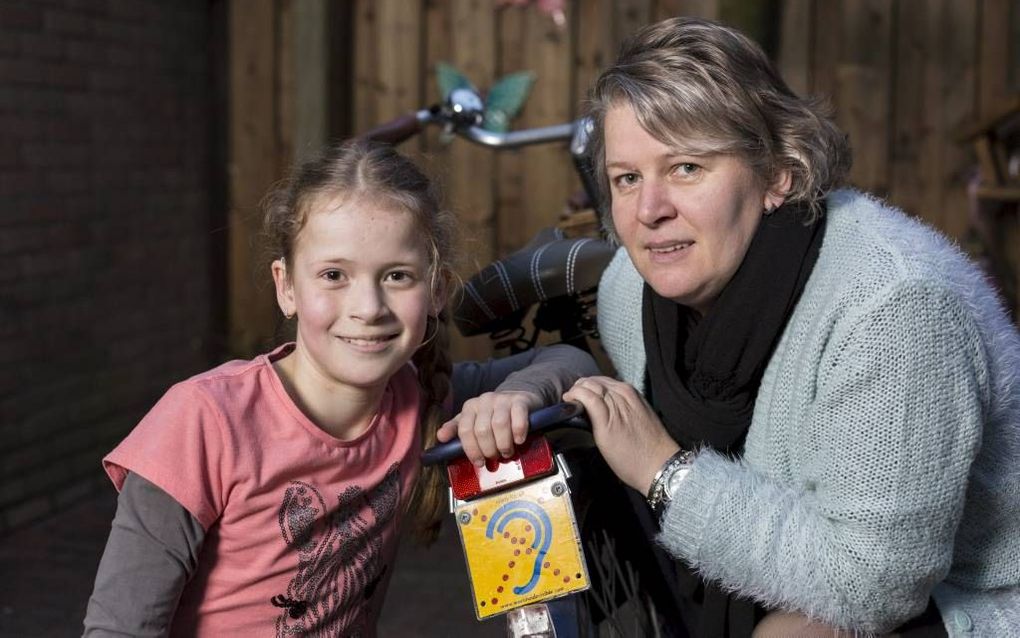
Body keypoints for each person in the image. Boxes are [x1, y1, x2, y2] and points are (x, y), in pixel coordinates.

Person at [552, 16, 1020, 638]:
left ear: (779, 173)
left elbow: (872, 585)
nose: (649, 211)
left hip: (971, 603)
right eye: (627, 179)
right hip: (763, 589)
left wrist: (667, 474)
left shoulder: (894, 310)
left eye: (687, 167)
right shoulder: (629, 291)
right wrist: (528, 384)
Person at [82, 140, 599, 636]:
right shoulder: (202, 420)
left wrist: (516, 397)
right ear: (287, 287)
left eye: (397, 276)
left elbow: (570, 359)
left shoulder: (420, 400)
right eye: (334, 274)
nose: (368, 308)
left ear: (437, 291)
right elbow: (118, 628)